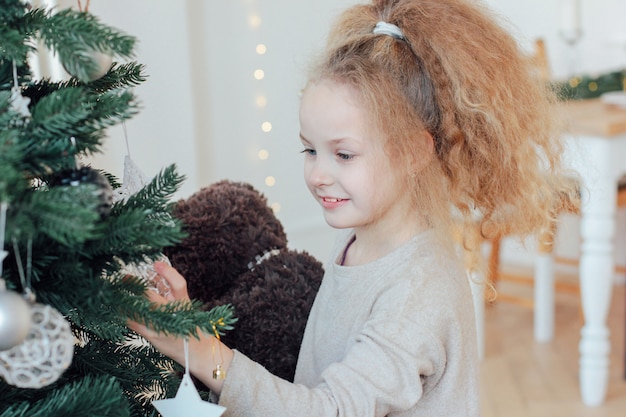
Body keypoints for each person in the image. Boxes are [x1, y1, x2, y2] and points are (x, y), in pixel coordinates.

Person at [129, 0, 577, 415]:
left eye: (343, 155)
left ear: (414, 153)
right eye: (310, 151)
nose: (319, 174)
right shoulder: (365, 242)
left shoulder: (418, 293)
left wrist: (202, 350)